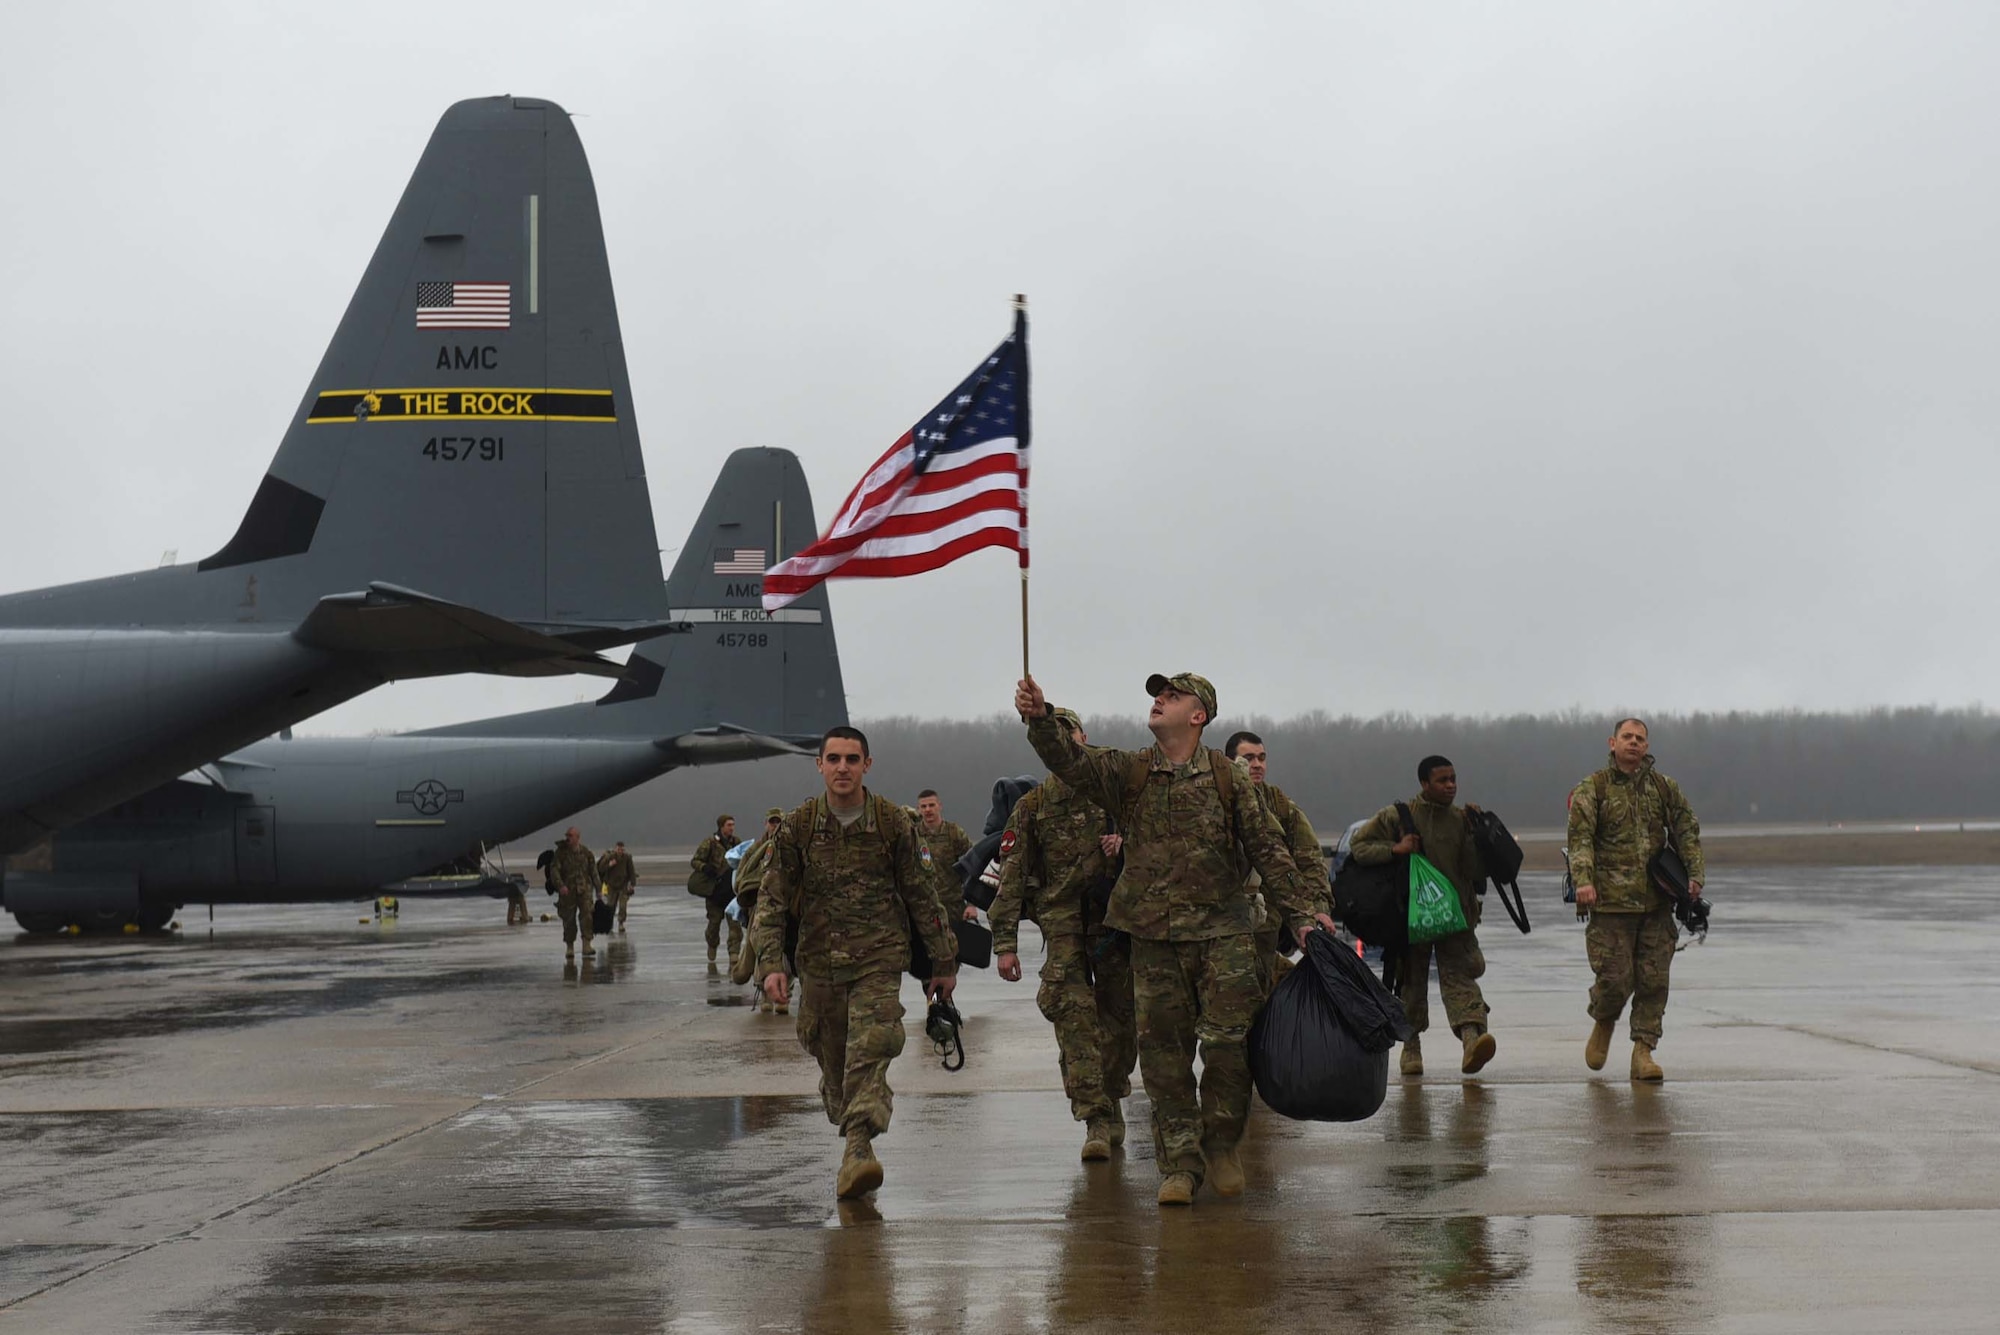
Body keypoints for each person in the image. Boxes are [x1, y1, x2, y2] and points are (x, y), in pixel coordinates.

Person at [1015, 671, 1333, 1207]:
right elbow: (1071, 762)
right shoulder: (1129, 771)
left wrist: (1302, 915)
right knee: (1163, 1057)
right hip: (1153, 937)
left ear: (1198, 715)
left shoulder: (1230, 779)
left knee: (1229, 1046)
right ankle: (1180, 1164)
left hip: (1224, 934)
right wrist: (1041, 719)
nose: (1159, 700)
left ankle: (1223, 1142)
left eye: (1172, 695)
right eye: (1156, 695)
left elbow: (1269, 850)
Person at [753, 726, 959, 1200]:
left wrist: (943, 961)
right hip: (819, 964)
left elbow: (921, 894)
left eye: (852, 759)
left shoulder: (891, 823)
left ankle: (859, 1148)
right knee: (834, 1064)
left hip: (878, 959)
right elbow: (772, 900)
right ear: (820, 765)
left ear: (867, 765)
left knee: (873, 1046)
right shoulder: (800, 826)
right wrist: (771, 964)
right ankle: (851, 1128)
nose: (842, 767)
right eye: (834, 759)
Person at [993, 707, 1136, 1162]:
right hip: (1061, 921)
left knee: (1118, 1020)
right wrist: (1005, 944)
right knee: (1074, 1018)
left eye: (1068, 735)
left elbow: (1158, 847)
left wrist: (1125, 846)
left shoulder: (1116, 795)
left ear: (1082, 737)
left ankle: (1112, 1095)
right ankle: (1094, 1117)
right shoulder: (1032, 808)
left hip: (1113, 921)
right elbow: (1011, 876)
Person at [1567, 717, 1705, 1082]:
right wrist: (1583, 882)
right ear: (1612, 743)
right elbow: (1580, 839)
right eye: (1627, 737)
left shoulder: (1663, 788)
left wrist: (1694, 875)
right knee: (1615, 979)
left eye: (1640, 738)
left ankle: (1643, 1051)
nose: (1634, 743)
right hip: (1609, 903)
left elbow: (1686, 829)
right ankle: (1604, 1018)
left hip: (1657, 902)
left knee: (1653, 980)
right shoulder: (1592, 789)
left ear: (1647, 746)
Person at [1350, 756, 1495, 1078]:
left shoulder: (1460, 819)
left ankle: (1472, 1040)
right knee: (1411, 984)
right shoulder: (1398, 816)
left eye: (1454, 779)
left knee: (1461, 978)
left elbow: (1473, 871)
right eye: (1443, 780)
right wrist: (1396, 848)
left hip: (1455, 918)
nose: (1451, 785)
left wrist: (1476, 835)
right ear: (1424, 784)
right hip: (1410, 919)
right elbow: (1359, 847)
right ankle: (1410, 1046)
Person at [1222, 731, 1332, 995]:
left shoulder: (1280, 806)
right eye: (1249, 758)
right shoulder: (1215, 799)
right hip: (1219, 916)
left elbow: (1309, 859)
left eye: (1262, 758)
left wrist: (1318, 907)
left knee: (1256, 991)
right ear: (1230, 762)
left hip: (1264, 919)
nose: (1257, 764)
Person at [731, 809, 787, 1011]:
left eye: (778, 822)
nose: (775, 825)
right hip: (758, 906)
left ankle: (784, 994)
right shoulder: (755, 850)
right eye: (772, 822)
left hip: (784, 904)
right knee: (760, 947)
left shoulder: (789, 846)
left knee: (786, 951)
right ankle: (763, 992)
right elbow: (741, 878)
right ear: (766, 823)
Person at [914, 790, 975, 921]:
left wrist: (971, 904)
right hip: (923, 908)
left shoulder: (954, 833)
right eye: (923, 807)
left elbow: (972, 867)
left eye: (931, 805)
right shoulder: (913, 836)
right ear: (918, 810)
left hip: (953, 907)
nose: (928, 810)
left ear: (939, 806)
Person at [690, 814, 740, 965]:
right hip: (715, 891)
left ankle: (734, 953)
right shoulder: (710, 843)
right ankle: (712, 944)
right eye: (728, 825)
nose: (732, 828)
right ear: (721, 826)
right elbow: (695, 861)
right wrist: (705, 867)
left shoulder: (737, 843)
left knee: (735, 925)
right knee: (714, 924)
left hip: (731, 891)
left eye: (733, 824)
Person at [549, 826, 599, 960]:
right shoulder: (561, 853)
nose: (568, 838)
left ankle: (587, 945)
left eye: (571, 836)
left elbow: (594, 872)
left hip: (584, 891)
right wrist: (560, 886)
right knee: (568, 919)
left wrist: (599, 890)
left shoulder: (586, 853)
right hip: (568, 891)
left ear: (578, 837)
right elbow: (554, 871)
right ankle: (570, 947)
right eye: (567, 836)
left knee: (587, 916)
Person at [598, 840, 637, 931]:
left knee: (623, 906)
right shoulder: (609, 857)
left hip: (623, 885)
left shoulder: (627, 858)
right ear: (615, 849)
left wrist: (632, 884)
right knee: (611, 906)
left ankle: (621, 923)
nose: (620, 851)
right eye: (619, 849)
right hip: (611, 886)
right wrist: (609, 865)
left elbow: (631, 871)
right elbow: (600, 869)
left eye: (622, 850)